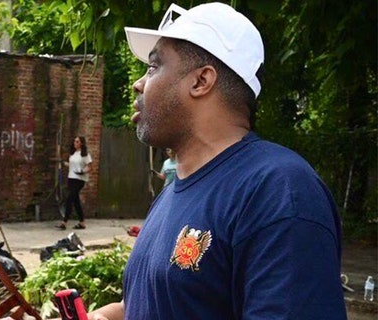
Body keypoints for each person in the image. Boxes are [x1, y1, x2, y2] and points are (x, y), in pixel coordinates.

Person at [90, 2, 346, 319]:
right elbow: (167, 305)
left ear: (201, 81)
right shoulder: (173, 193)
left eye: (154, 67)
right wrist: (109, 315)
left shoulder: (279, 192)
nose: (139, 83)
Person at [55, 136, 92, 230]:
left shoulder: (85, 155)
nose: (75, 143)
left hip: (79, 179)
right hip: (71, 178)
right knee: (76, 201)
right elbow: (71, 165)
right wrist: (63, 163)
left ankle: (64, 221)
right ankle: (82, 222)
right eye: (75, 141)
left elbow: (89, 167)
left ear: (81, 143)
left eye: (77, 142)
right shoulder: (73, 154)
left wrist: (83, 171)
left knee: (70, 199)